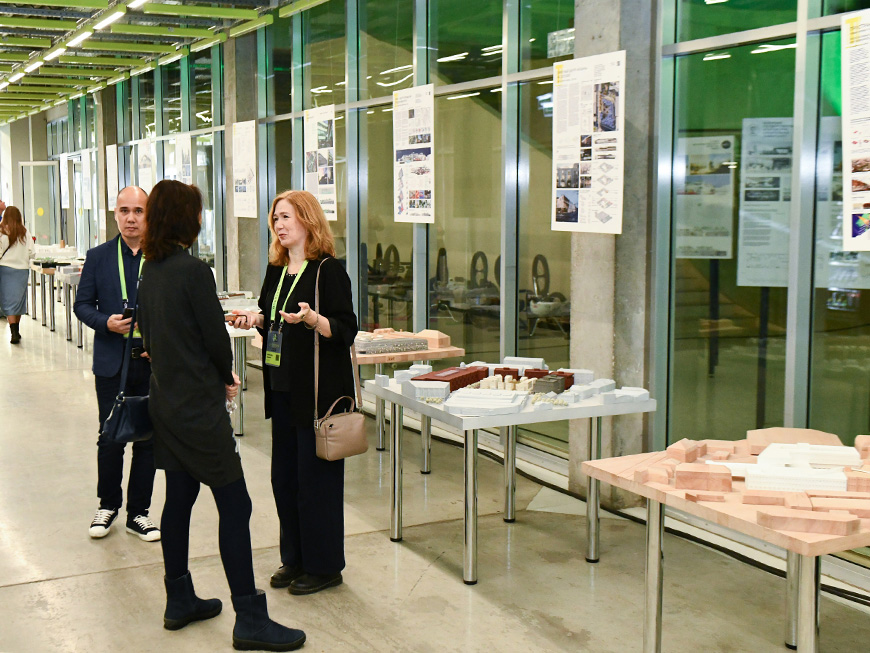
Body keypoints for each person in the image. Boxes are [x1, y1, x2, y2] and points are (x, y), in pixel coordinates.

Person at [137, 180, 305, 650]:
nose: (200, 218)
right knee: (236, 504)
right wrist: (227, 375)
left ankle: (179, 599)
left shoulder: (150, 271)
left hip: (165, 402)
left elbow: (150, 335)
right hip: (198, 410)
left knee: (179, 498)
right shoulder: (194, 271)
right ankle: (249, 617)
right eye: (197, 211)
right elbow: (214, 339)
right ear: (184, 218)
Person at [230, 189, 358, 596]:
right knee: (285, 479)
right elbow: (271, 317)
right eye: (275, 219)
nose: (279, 225)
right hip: (282, 389)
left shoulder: (327, 271)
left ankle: (324, 566)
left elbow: (346, 329)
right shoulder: (277, 269)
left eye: (286, 217)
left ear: (307, 219)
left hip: (317, 393)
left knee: (316, 482)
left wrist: (314, 319)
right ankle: (295, 558)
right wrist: (254, 318)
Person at [73, 186, 160, 542]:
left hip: (152, 362)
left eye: (138, 211)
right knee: (110, 437)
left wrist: (160, 339)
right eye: (124, 211)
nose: (131, 218)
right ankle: (107, 505)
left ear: (148, 215)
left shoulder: (161, 257)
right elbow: (82, 305)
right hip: (113, 362)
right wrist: (105, 322)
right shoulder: (99, 257)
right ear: (115, 215)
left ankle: (139, 513)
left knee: (148, 440)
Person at [0, 206, 34, 344]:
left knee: (8, 300)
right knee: (19, 300)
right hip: (22, 270)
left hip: (5, 269)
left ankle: (13, 330)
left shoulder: (2, 231)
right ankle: (16, 330)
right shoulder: (25, 232)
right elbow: (32, 252)